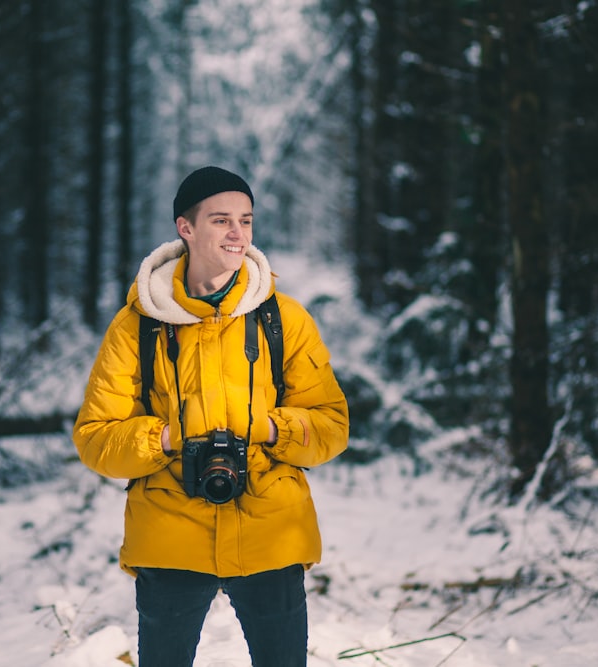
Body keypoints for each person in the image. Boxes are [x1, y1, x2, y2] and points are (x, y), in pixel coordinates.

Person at [72, 165, 349, 666]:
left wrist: (268, 428)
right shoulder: (138, 325)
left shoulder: (283, 318)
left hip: (273, 532)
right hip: (169, 532)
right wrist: (168, 439)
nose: (237, 234)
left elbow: (331, 426)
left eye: (246, 220)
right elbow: (95, 439)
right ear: (186, 228)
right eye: (221, 220)